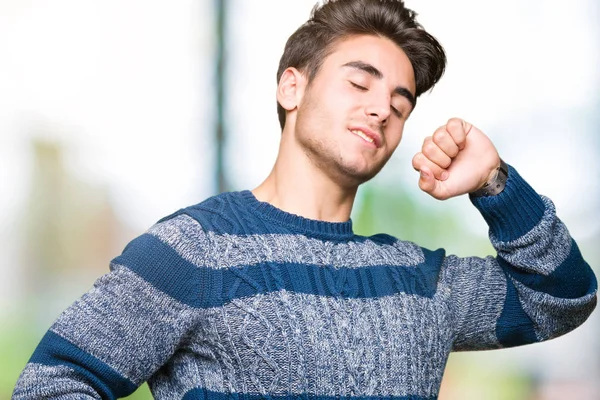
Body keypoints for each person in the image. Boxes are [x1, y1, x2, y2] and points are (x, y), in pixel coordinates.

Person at [13, 0, 597, 399]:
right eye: (358, 81)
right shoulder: (193, 251)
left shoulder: (419, 279)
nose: (381, 108)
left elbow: (566, 297)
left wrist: (495, 183)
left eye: (400, 102)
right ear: (292, 86)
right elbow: (52, 383)